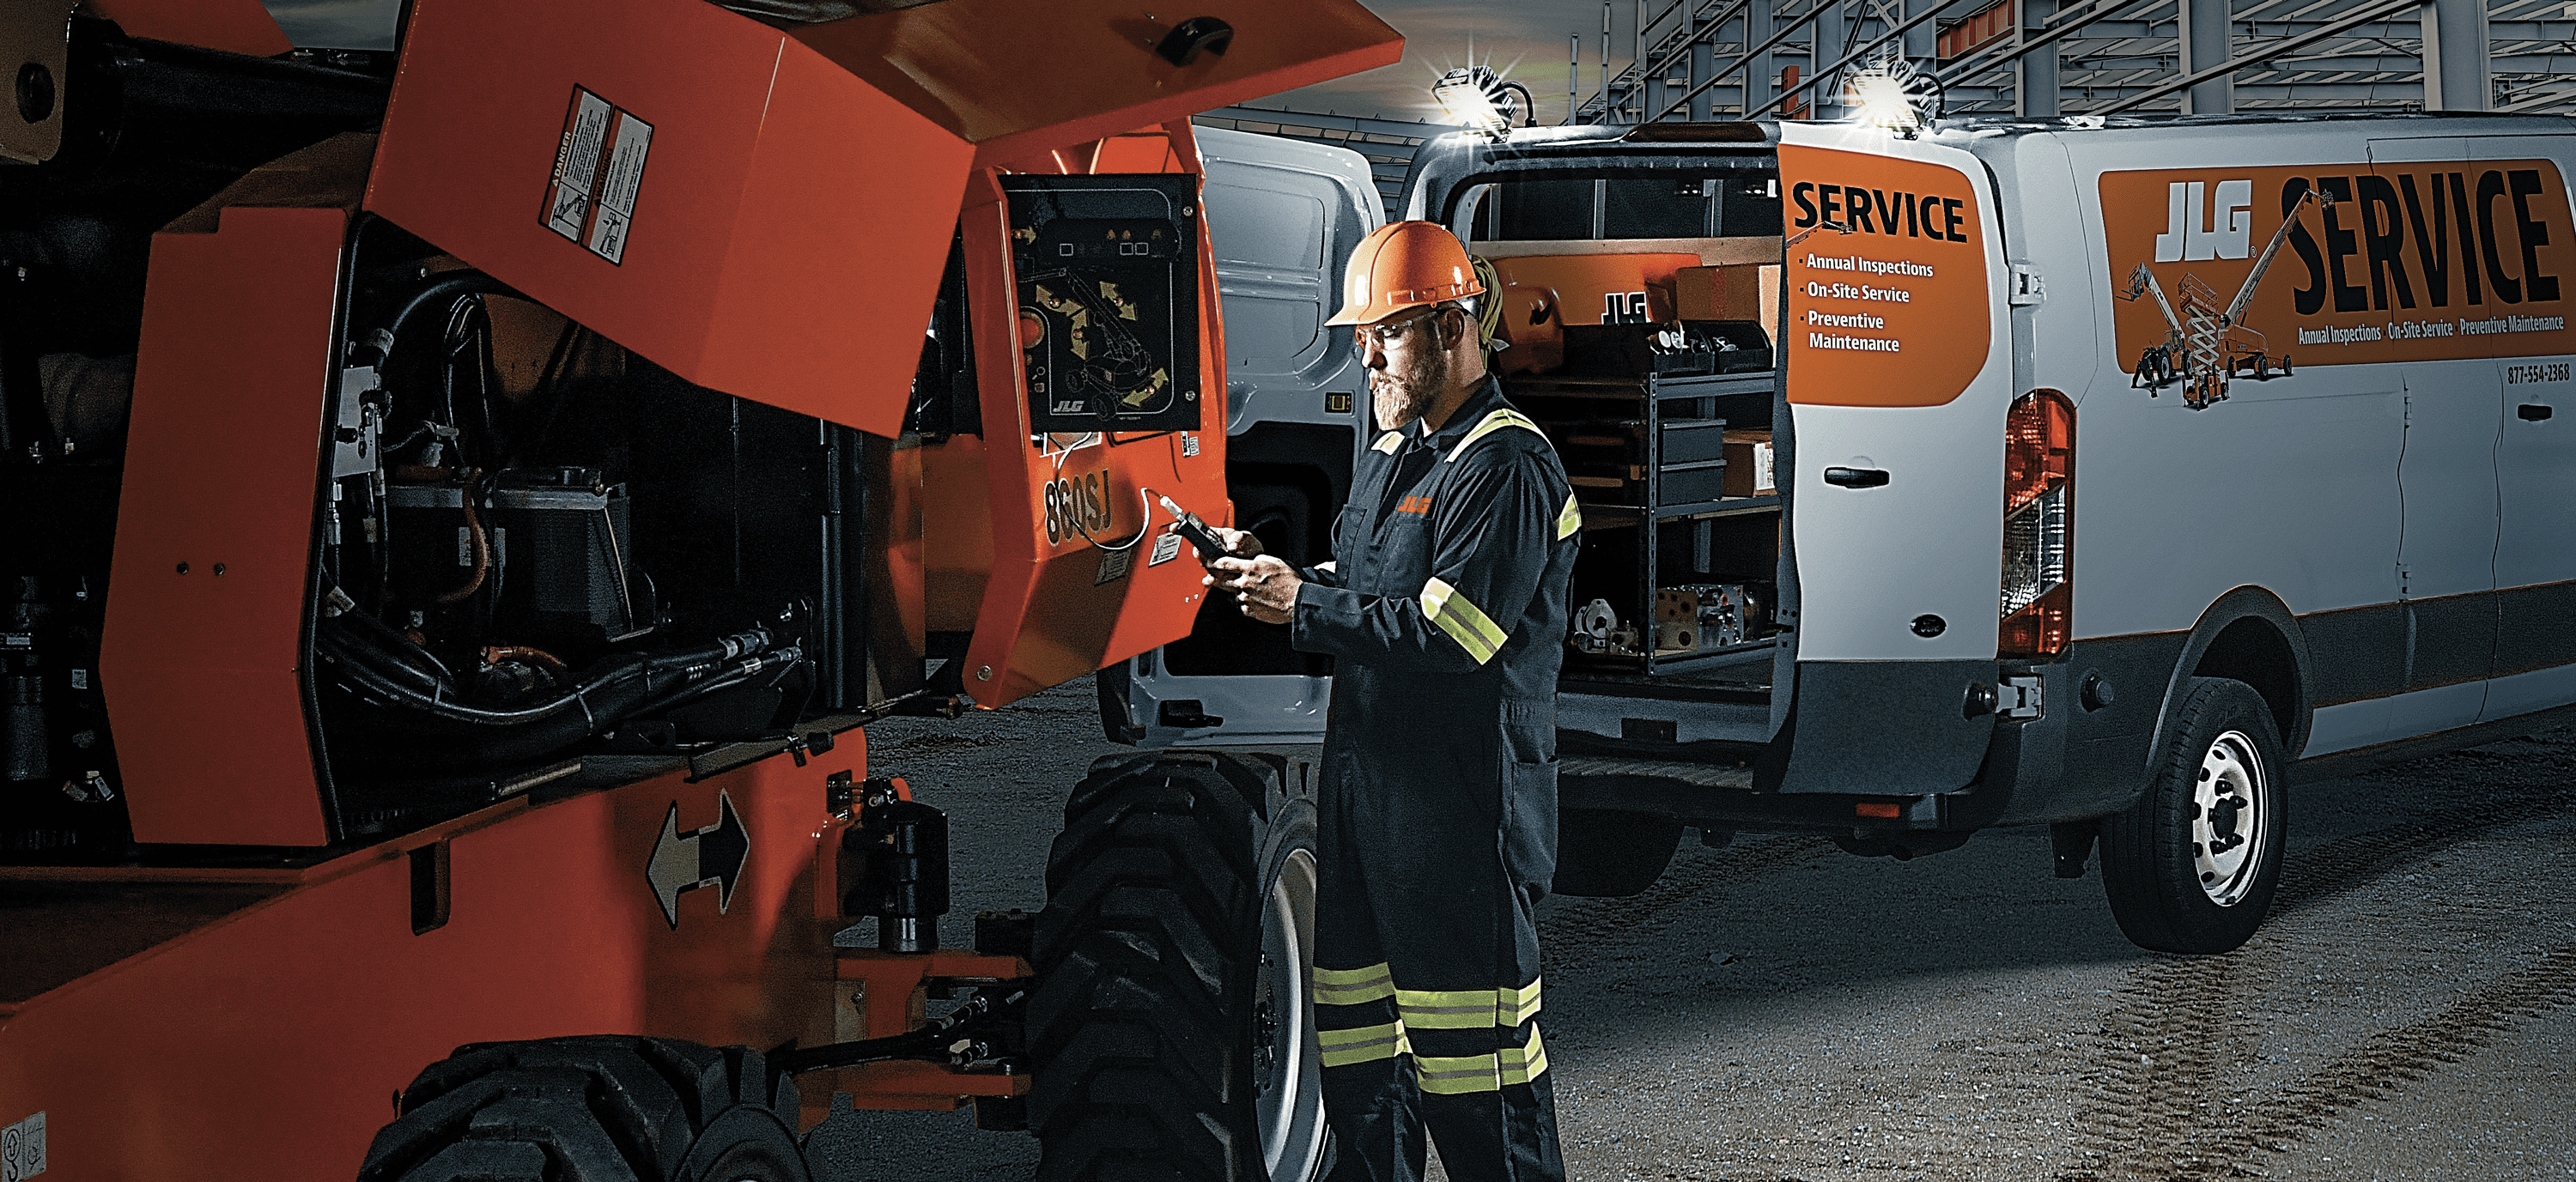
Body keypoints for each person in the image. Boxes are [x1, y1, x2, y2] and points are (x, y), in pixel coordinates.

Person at [1193, 221, 1580, 1182]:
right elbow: (1372, 581)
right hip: (1368, 812)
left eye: (1387, 333)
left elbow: (1455, 633)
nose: (1364, 355)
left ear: (1453, 328)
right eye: (1364, 335)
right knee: (1362, 1077)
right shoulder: (1397, 452)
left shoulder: (1506, 466)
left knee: (1482, 1099)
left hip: (1461, 822)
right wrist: (1289, 576)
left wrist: (1307, 606)